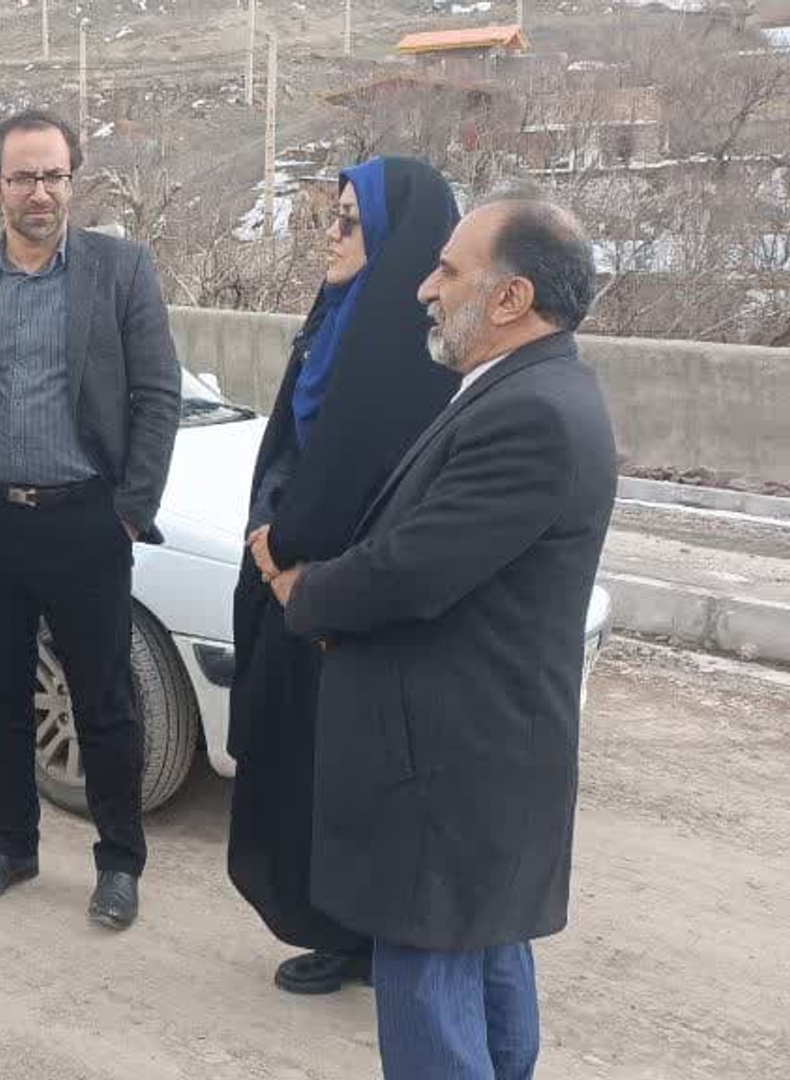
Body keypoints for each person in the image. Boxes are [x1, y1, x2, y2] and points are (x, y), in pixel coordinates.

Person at [254, 195, 616, 1079]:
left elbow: (410, 570)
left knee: (430, 994)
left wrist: (301, 590)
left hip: (450, 773)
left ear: (511, 298)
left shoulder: (532, 414)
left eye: (449, 270)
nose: (425, 287)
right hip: (476, 768)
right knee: (485, 959)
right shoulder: (523, 389)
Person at [0, 109, 181, 930]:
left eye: (54, 175)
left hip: (85, 522)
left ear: (71, 179)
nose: (41, 193)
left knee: (104, 701)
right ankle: (10, 844)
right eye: (23, 177)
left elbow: (158, 396)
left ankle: (119, 861)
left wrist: (129, 513)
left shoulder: (120, 271)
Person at [226, 157, 461, 996]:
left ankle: (357, 935)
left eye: (349, 222)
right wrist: (274, 542)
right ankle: (331, 922)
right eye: (332, 216)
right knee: (297, 763)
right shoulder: (339, 317)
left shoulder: (413, 350)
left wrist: (288, 545)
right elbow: (296, 444)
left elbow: (359, 467)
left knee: (348, 778)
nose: (329, 235)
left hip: (346, 598)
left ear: (398, 240)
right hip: (292, 573)